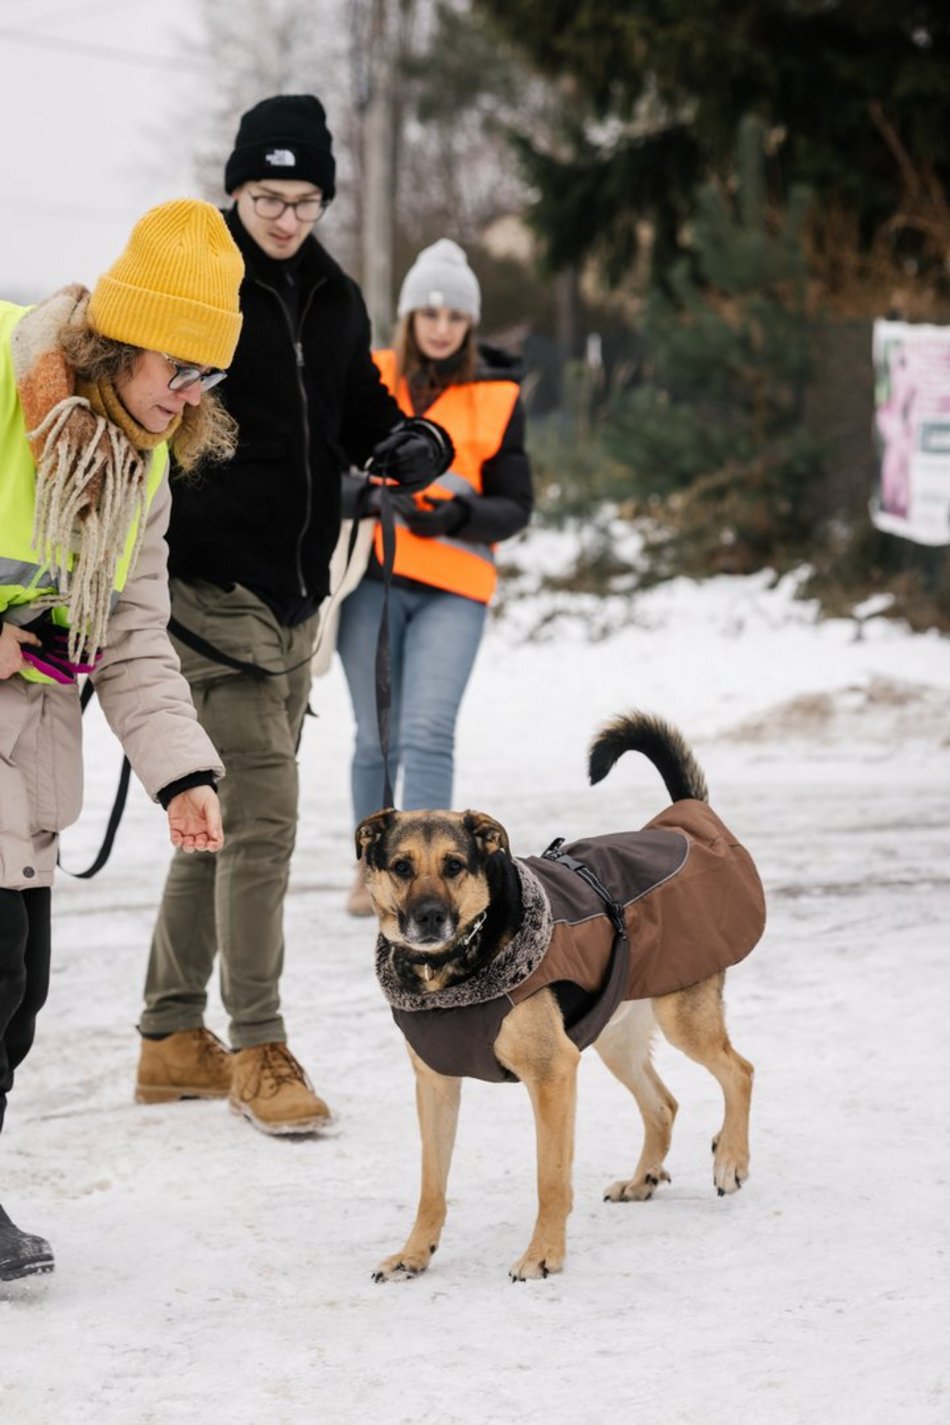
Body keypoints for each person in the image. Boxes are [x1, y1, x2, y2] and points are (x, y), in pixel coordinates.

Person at [137, 95, 453, 1136]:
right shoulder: (199, 287)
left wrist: (405, 442)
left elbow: (358, 402)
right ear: (235, 188)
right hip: (203, 597)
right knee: (263, 826)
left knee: (216, 827)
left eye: (304, 199)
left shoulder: (331, 291)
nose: (283, 217)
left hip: (293, 606)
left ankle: (172, 1038)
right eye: (267, 197)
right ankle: (259, 1047)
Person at [0, 198, 244, 1281]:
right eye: (173, 365)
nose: (185, 395)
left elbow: (137, 638)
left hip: (30, 762)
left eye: (206, 377)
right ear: (116, 338)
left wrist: (183, 774)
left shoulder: (141, 467)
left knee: (16, 1004)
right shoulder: (8, 397)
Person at [336, 239, 534, 916]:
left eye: (456, 315)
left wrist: (458, 514)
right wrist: (367, 498)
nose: (443, 326)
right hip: (374, 580)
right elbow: (328, 473)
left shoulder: (498, 395)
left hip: (455, 584)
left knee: (425, 731)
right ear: (412, 315)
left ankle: (431, 885)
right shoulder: (372, 376)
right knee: (375, 736)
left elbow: (516, 505)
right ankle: (374, 874)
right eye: (431, 312)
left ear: (471, 323)